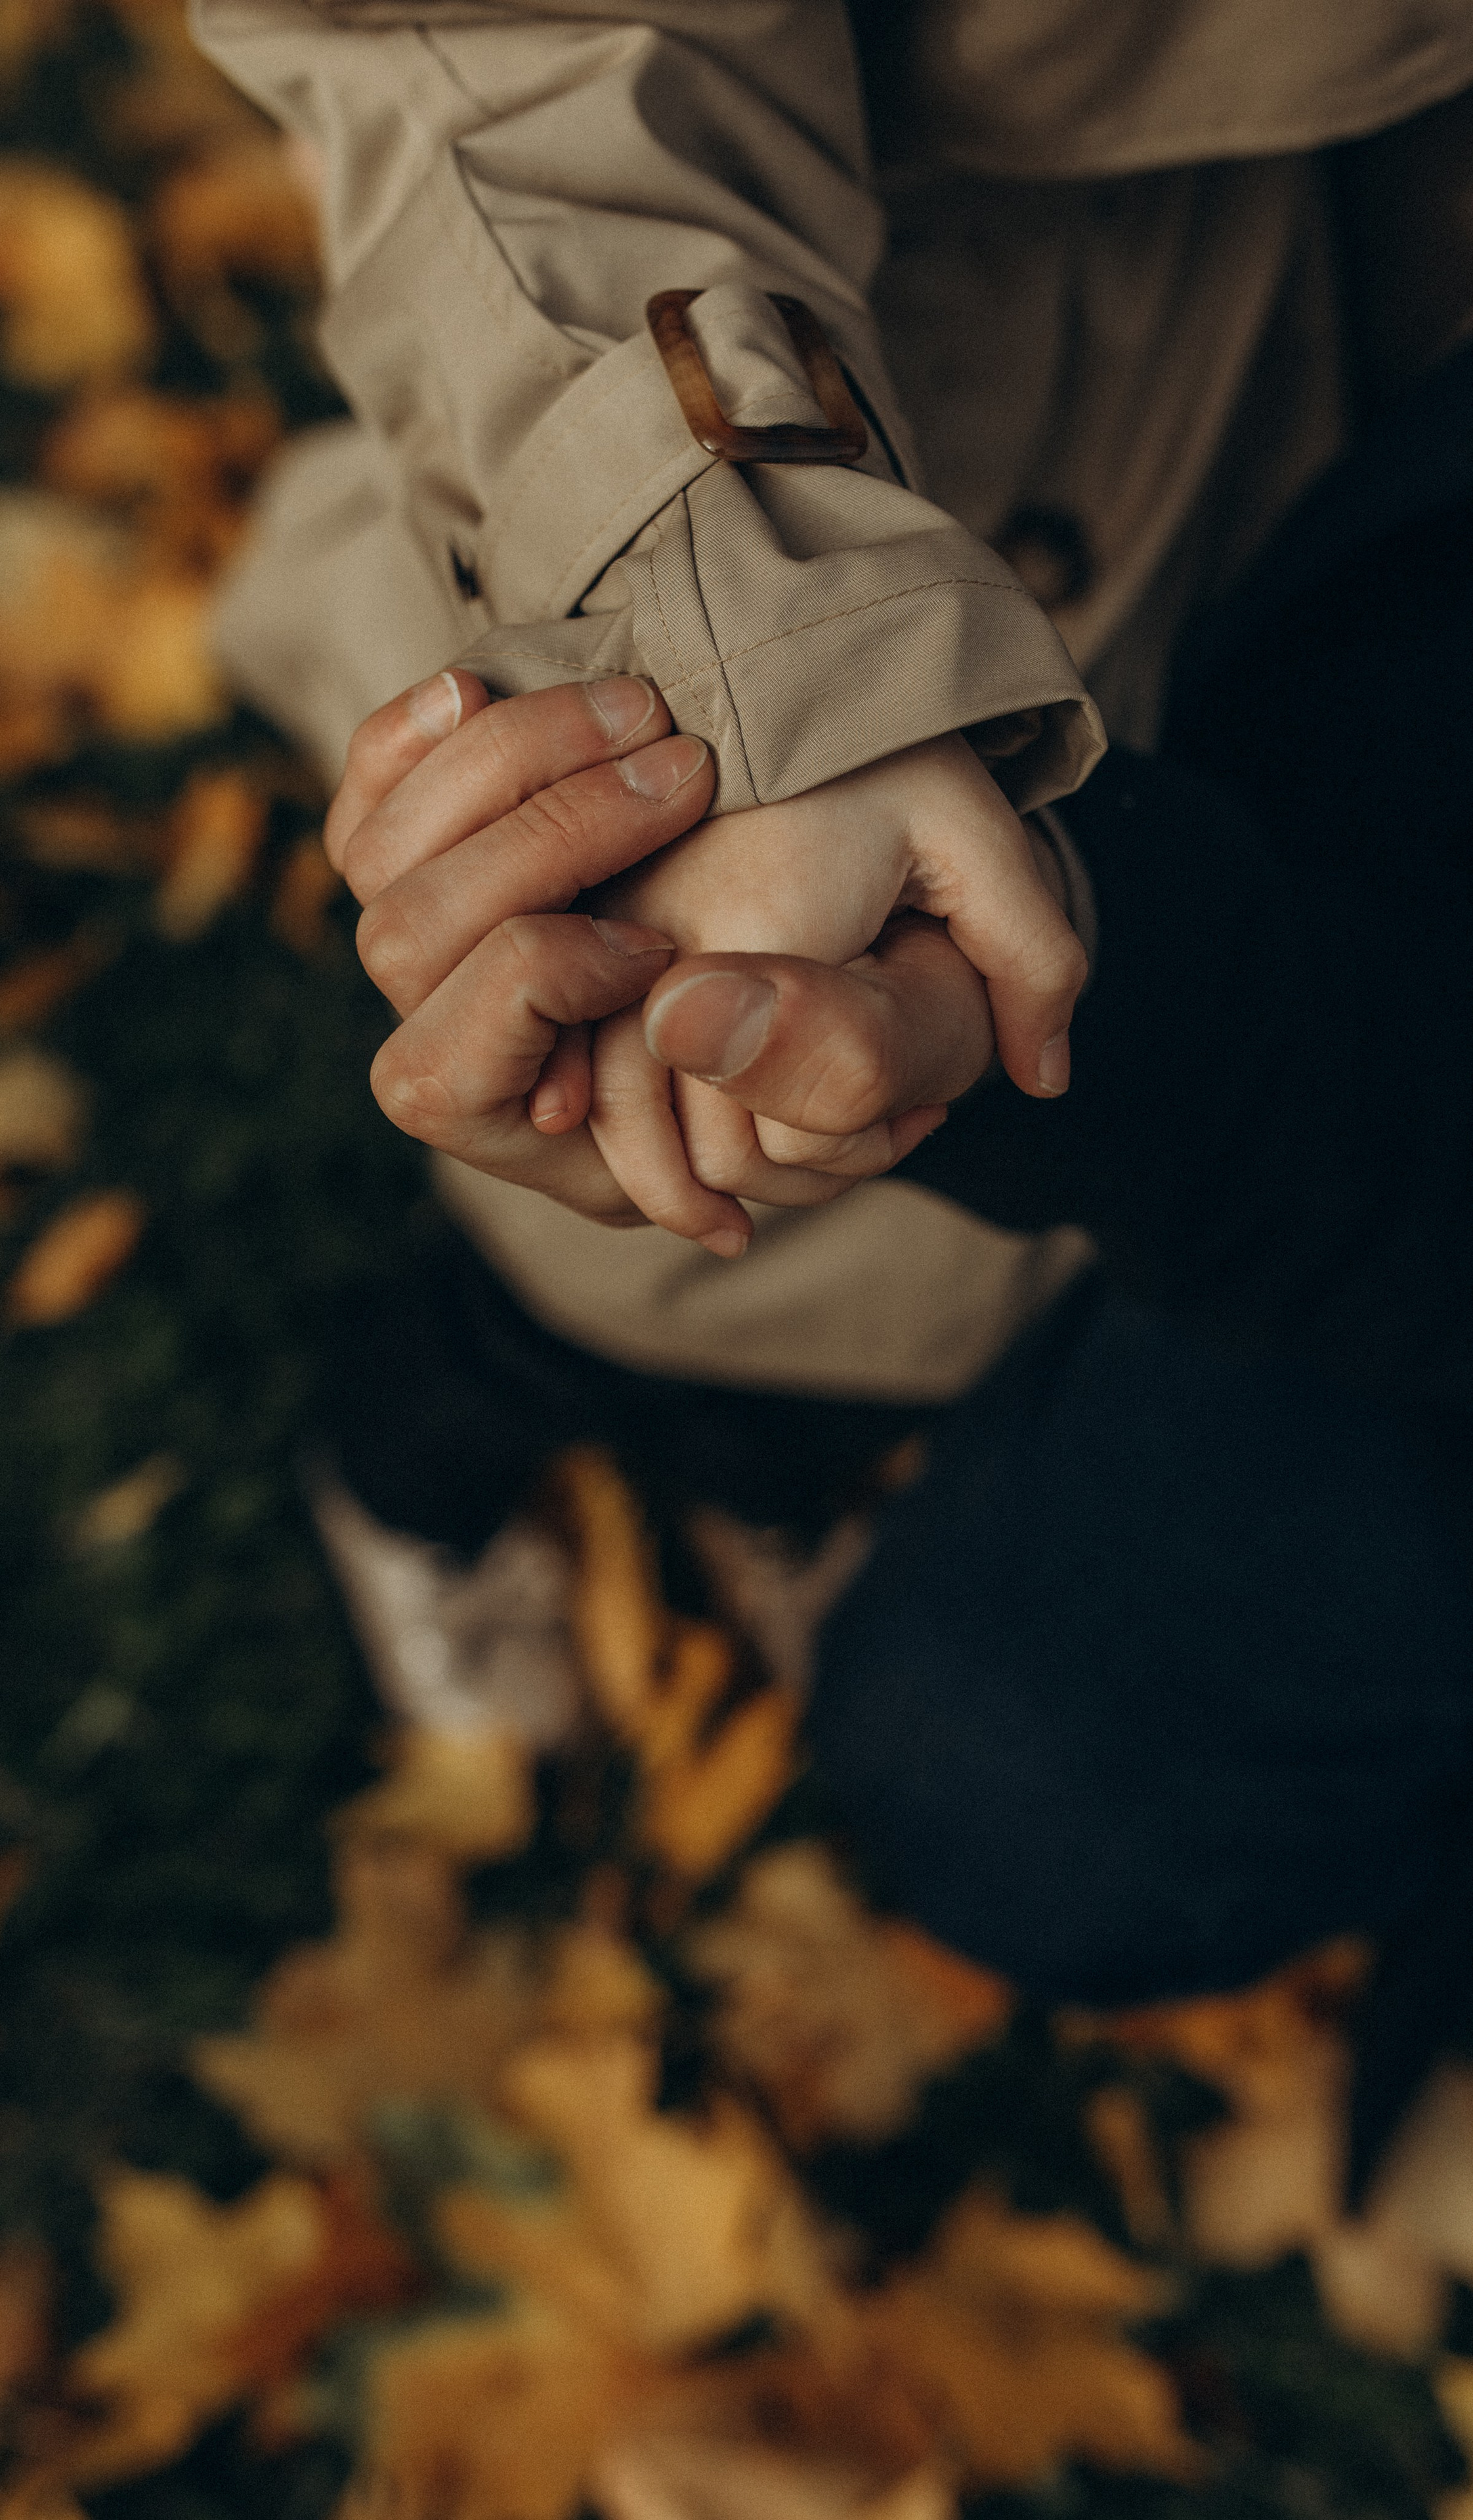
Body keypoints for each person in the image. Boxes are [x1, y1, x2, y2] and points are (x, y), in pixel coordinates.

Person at [192, 0, 1473, 2149]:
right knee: (682, 1150)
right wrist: (747, 608)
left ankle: (779, 1447)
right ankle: (446, 1440)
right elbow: (526, 58)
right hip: (951, 344)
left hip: (1306, 578)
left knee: (867, 1157)